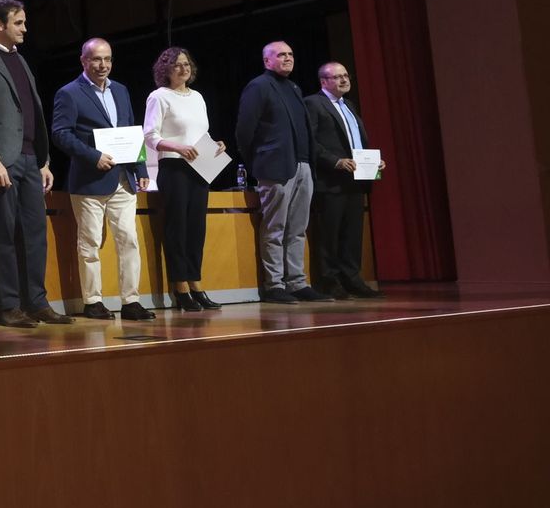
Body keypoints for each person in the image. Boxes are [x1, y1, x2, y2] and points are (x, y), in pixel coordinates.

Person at [0, 0, 71, 328]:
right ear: (0, 24)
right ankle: (9, 306)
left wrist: (44, 160)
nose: (25, 28)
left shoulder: (20, 60)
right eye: (18, 23)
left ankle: (37, 301)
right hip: (2, 160)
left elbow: (31, 112)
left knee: (36, 232)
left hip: (30, 159)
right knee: (6, 233)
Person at [51, 38, 155, 321]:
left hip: (122, 178)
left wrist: (141, 169)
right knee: (90, 243)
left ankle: (131, 301)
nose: (103, 65)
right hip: (88, 180)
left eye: (107, 59)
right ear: (83, 61)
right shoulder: (69, 93)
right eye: (97, 59)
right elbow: (61, 133)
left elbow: (131, 131)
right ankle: (93, 301)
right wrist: (92, 156)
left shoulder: (120, 90)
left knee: (129, 240)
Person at [235, 41, 332, 304]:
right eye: (281, 55)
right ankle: (274, 284)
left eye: (290, 54)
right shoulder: (259, 86)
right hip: (275, 168)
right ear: (267, 61)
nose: (287, 58)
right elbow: (244, 130)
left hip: (302, 166)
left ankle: (297, 282)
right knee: (275, 227)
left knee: (298, 228)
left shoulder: (294, 87)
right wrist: (257, 163)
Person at [142, 47, 226, 311]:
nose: (183, 68)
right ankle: (180, 286)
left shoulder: (198, 97)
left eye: (186, 63)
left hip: (201, 166)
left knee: (196, 228)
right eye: (177, 64)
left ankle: (196, 283)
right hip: (175, 168)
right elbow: (150, 136)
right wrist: (176, 147)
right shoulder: (159, 97)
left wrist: (216, 145)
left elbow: (200, 132)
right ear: (165, 69)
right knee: (177, 227)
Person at [304, 62, 387, 299]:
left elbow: (357, 142)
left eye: (345, 75)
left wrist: (374, 162)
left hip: (355, 180)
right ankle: (329, 282)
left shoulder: (349, 105)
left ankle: (352, 279)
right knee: (330, 234)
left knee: (352, 234)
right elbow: (311, 142)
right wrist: (335, 161)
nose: (343, 80)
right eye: (337, 77)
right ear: (324, 82)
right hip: (331, 181)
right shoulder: (314, 103)